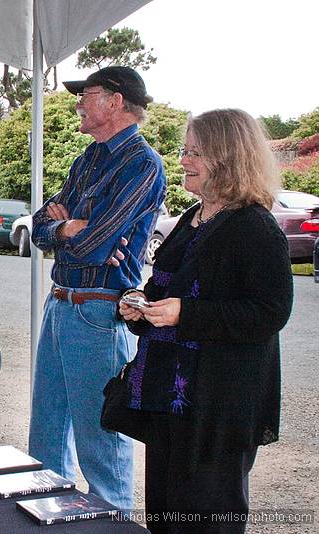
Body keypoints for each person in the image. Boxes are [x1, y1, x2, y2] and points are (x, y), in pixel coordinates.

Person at [118, 109, 292, 533]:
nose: (183, 161)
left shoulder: (255, 226)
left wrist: (185, 313)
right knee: (165, 513)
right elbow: (165, 288)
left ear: (229, 158)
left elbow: (270, 312)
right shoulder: (190, 219)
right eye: (184, 150)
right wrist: (139, 304)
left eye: (196, 153)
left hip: (219, 405)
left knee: (207, 517)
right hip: (171, 397)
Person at [28, 66, 166, 510]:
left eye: (85, 95)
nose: (78, 104)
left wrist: (67, 231)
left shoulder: (143, 163)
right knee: (46, 431)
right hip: (61, 303)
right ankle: (50, 513)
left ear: (115, 101)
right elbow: (38, 228)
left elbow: (94, 244)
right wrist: (67, 228)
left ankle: (112, 521)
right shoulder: (87, 158)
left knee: (99, 438)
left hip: (98, 311)